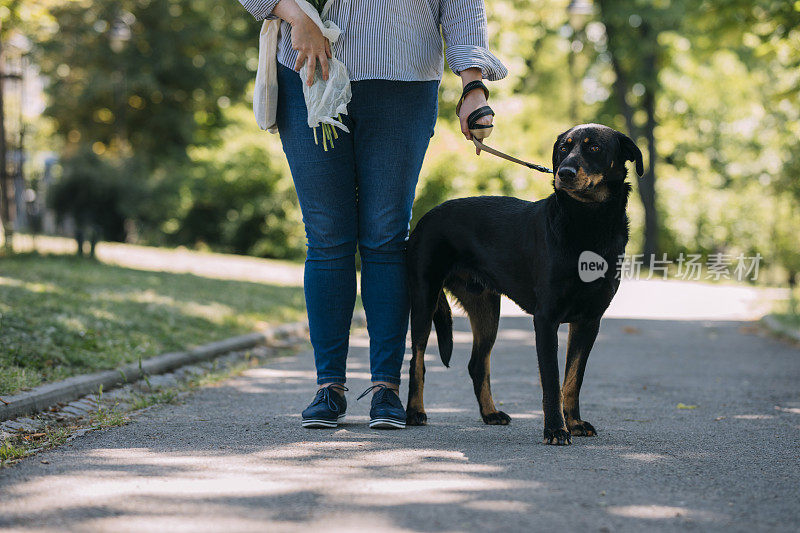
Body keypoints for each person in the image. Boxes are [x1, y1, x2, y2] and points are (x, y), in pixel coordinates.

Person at [237, 0, 506, 429]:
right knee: (327, 238)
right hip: (308, 69)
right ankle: (329, 387)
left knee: (385, 236)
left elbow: (460, 5)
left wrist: (473, 83)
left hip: (403, 77)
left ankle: (387, 388)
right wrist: (295, 15)